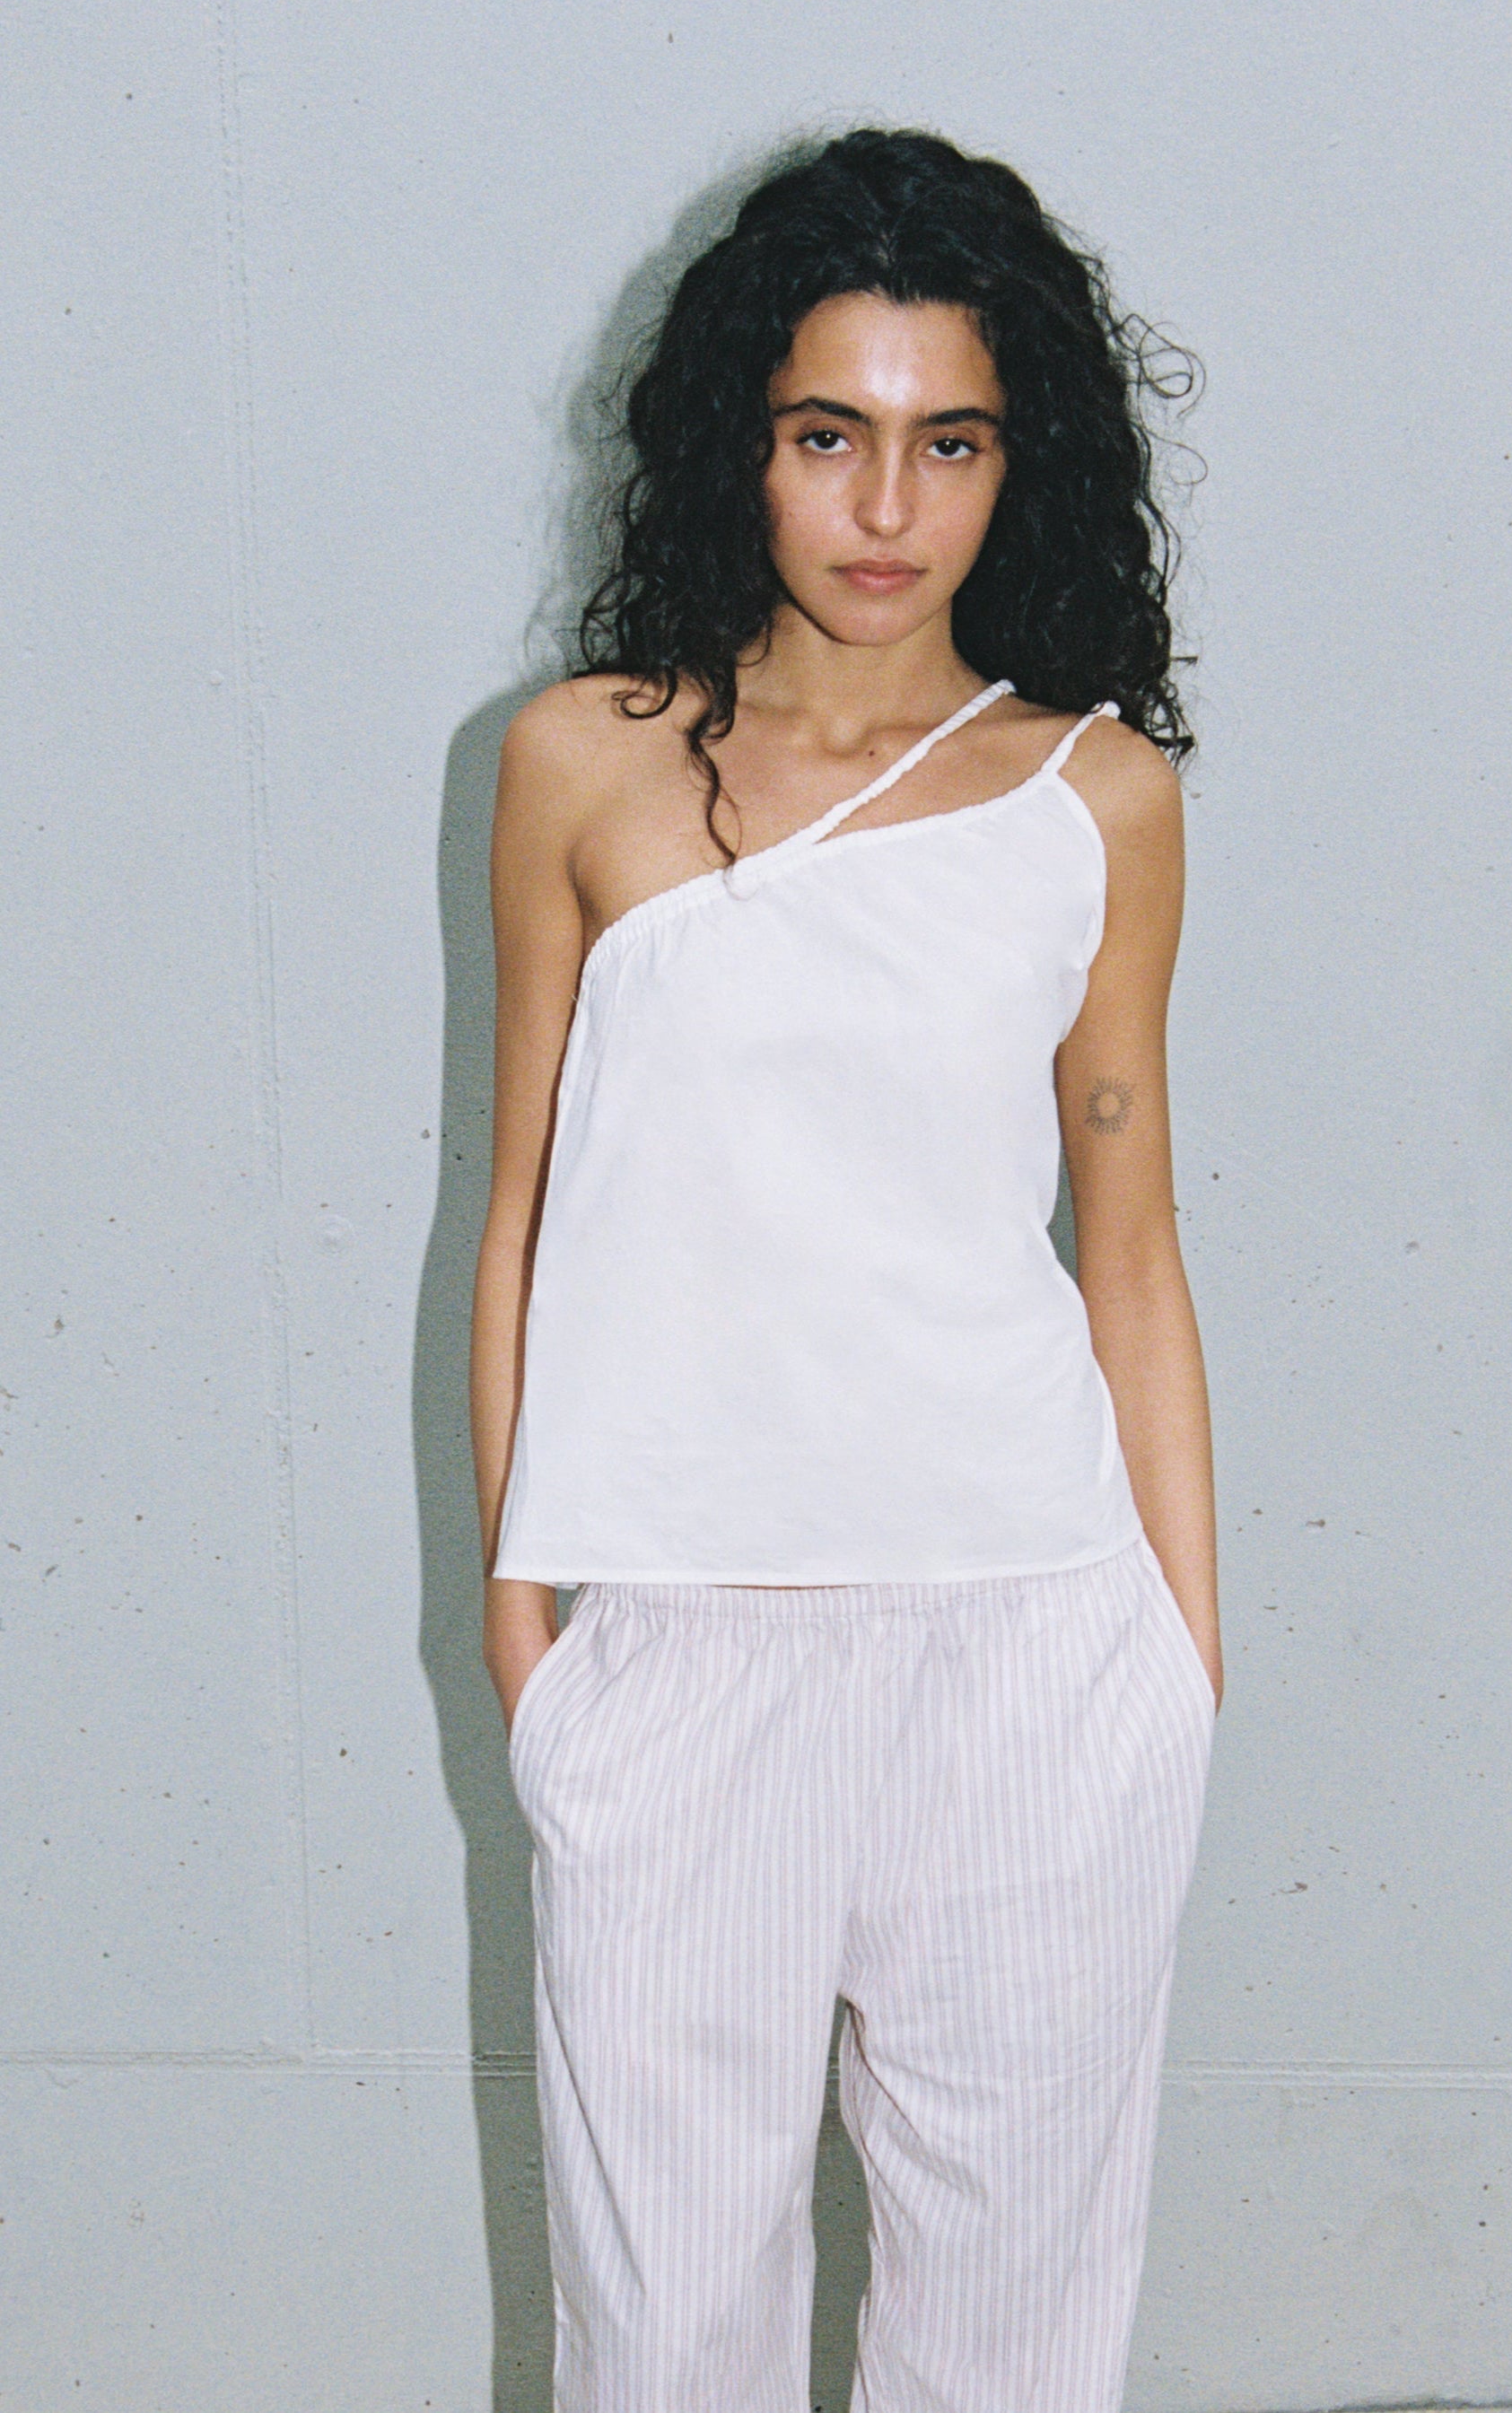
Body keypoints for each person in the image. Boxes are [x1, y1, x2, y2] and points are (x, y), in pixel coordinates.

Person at [471, 127, 1220, 2413]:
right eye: (831, 434)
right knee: (663, 2328)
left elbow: (1133, 1243)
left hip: (1031, 1648)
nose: (887, 507)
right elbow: (511, 1210)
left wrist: (1180, 1668)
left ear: (1023, 466)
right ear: (746, 441)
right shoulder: (585, 766)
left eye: (950, 440)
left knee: (1012, 2329)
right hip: (681, 1653)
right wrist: (537, 1656)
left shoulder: (1098, 796)